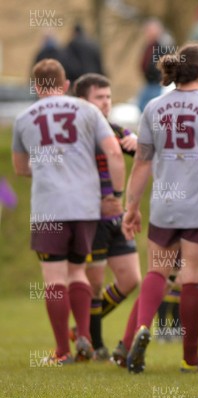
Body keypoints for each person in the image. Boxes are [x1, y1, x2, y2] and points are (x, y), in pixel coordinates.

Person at [121, 43, 198, 374]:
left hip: (163, 206)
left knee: (156, 271)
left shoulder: (153, 108)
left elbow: (141, 164)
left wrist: (131, 207)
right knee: (193, 281)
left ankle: (142, 328)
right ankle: (190, 360)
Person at [12, 59, 125, 364]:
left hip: (49, 207)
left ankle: (62, 351)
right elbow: (114, 151)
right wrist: (115, 195)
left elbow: (20, 168)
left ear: (36, 87)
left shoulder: (24, 118)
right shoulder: (87, 110)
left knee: (54, 279)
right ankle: (85, 338)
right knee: (78, 271)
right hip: (86, 206)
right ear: (64, 85)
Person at [72, 73, 141, 360]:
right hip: (90, 218)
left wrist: (138, 143)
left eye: (108, 97)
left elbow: (144, 156)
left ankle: (81, 329)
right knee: (95, 283)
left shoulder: (115, 131)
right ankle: (95, 344)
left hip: (116, 217)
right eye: (99, 98)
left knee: (130, 279)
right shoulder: (76, 134)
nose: (106, 103)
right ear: (82, 102)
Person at [138, 19, 173, 112]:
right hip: (148, 82)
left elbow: (165, 63)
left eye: (150, 30)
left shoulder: (162, 46)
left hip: (157, 83)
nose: (147, 33)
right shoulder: (149, 46)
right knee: (141, 106)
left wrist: (160, 76)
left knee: (154, 108)